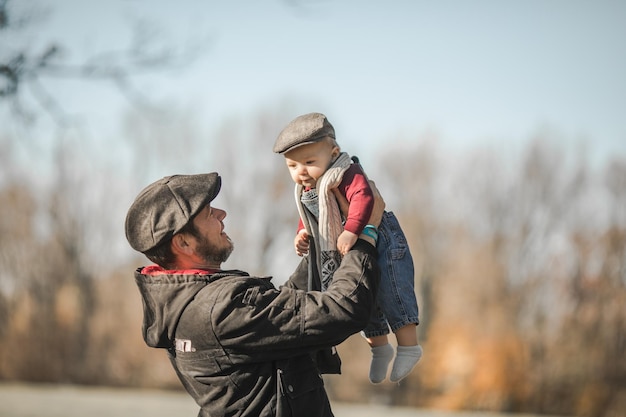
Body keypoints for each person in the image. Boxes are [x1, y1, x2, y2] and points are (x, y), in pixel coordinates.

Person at [124, 171, 385, 417]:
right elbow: (343, 310)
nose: (222, 213)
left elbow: (282, 313)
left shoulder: (186, 304)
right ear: (183, 243)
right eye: (208, 213)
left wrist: (324, 236)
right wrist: (365, 234)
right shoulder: (220, 308)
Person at [273, 112, 423, 384]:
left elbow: (364, 197)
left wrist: (354, 230)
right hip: (349, 243)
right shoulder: (312, 188)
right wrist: (303, 233)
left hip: (381, 236)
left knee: (391, 288)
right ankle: (380, 349)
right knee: (364, 293)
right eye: (293, 166)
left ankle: (409, 346)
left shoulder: (345, 172)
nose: (301, 172)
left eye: (309, 162)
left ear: (333, 152)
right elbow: (311, 215)